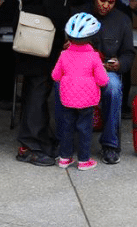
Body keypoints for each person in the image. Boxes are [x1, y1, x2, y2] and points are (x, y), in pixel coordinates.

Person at [15, 0, 70, 167]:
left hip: (28, 26)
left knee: (33, 86)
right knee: (40, 86)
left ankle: (37, 138)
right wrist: (66, 28)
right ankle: (32, 143)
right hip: (46, 31)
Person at [71, 0, 135, 165]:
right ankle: (63, 140)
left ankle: (110, 144)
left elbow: (129, 54)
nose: (106, 5)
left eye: (111, 2)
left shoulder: (122, 20)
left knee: (114, 87)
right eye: (102, 0)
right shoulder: (77, 14)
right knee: (59, 86)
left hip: (106, 70)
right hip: (78, 70)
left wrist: (120, 64)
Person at [52, 12, 109, 171]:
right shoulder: (94, 57)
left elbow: (55, 75)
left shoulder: (64, 55)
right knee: (85, 129)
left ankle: (64, 158)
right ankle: (83, 161)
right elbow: (103, 80)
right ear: (91, 36)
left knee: (67, 127)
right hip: (87, 101)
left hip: (67, 99)